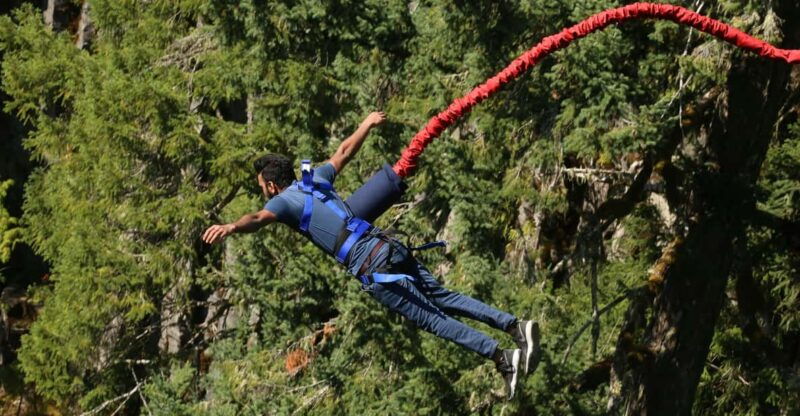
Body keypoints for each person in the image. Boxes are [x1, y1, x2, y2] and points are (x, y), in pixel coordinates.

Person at [202, 112, 540, 399]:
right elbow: (344, 152)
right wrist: (366, 124)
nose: (263, 192)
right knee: (443, 296)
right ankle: (514, 326)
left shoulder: (282, 202)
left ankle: (502, 357)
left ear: (271, 186)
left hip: (370, 264)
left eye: (262, 186)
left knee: (433, 319)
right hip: (387, 245)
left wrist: (232, 226)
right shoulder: (313, 179)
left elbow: (258, 219)